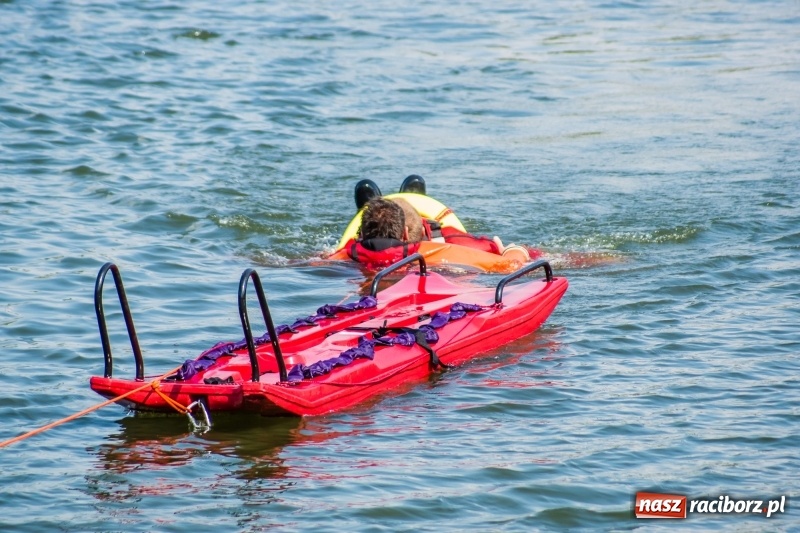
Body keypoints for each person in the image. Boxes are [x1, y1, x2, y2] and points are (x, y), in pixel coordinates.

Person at [348, 176, 532, 265]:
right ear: (405, 232)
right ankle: (414, 195)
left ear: (362, 234)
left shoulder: (346, 255)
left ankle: (371, 203)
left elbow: (321, 262)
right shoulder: (448, 248)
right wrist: (515, 250)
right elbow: (511, 266)